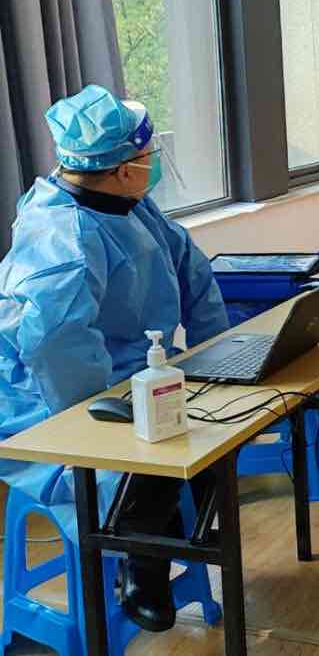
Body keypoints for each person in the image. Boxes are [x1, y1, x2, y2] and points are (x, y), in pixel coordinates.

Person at [0, 85, 230, 632]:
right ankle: (141, 564)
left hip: (130, 370)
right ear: (124, 168)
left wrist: (219, 355)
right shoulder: (60, 238)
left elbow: (192, 271)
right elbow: (55, 347)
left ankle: (179, 530)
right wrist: (103, 423)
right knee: (149, 452)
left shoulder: (130, 204)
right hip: (45, 395)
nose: (154, 164)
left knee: (214, 428)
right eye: (148, 156)